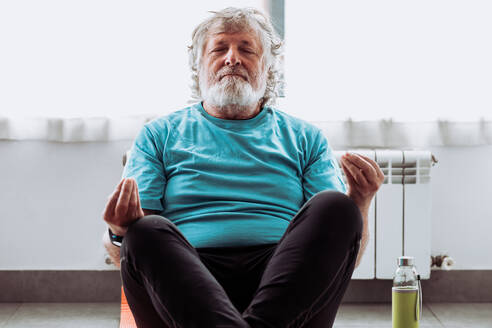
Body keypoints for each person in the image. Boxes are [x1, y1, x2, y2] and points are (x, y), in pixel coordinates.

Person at [102, 7, 384, 328]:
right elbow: (127, 253)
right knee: (144, 232)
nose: (232, 58)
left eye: (246, 49)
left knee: (336, 206)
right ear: (199, 66)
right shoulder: (159, 134)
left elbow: (342, 258)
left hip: (286, 283)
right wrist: (118, 231)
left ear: (268, 68)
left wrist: (360, 202)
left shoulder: (306, 138)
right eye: (219, 49)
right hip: (185, 282)